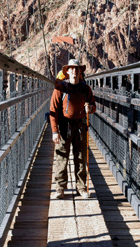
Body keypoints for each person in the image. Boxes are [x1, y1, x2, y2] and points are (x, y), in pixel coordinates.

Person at [49, 59, 96, 199]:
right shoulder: (60, 88)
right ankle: (60, 188)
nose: (74, 71)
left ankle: (81, 188)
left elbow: (93, 106)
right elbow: (53, 110)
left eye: (77, 69)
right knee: (61, 157)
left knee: (81, 157)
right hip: (64, 126)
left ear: (80, 71)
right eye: (72, 69)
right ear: (67, 71)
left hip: (80, 126)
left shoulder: (85, 88)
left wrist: (90, 108)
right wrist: (55, 131)